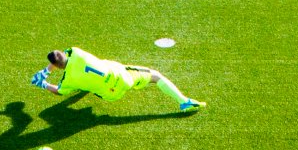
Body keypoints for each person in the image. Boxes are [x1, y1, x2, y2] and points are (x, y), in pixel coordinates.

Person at [31, 46, 206, 112]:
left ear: (57, 66)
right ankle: (184, 101)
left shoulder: (68, 80)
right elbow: (62, 54)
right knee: (155, 75)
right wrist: (47, 69)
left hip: (111, 95)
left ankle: (89, 86)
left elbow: (58, 92)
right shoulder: (76, 52)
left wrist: (44, 82)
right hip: (123, 77)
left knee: (86, 86)